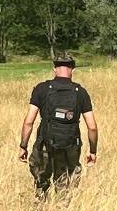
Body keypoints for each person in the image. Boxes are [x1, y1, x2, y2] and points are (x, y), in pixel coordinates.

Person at [18, 54, 98, 196]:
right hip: (70, 146)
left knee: (41, 184)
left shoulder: (42, 89)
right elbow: (92, 127)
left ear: (54, 68)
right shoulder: (81, 93)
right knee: (65, 187)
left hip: (45, 144)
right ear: (72, 69)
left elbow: (28, 122)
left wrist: (23, 146)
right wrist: (92, 151)